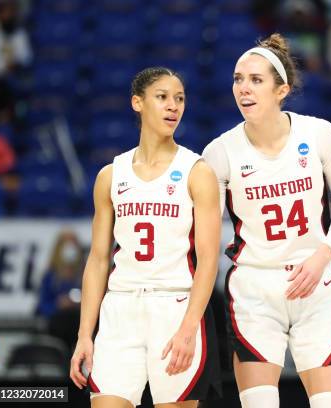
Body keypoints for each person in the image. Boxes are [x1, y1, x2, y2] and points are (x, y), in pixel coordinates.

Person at [202, 33, 331, 408]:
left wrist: (323, 254)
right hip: (255, 288)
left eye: (256, 80)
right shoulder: (219, 152)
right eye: (238, 79)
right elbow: (202, 237)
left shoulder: (319, 133)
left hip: (316, 282)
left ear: (281, 90)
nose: (244, 89)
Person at [69, 67, 222, 407]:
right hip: (120, 308)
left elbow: (209, 260)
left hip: (175, 307)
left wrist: (189, 327)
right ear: (137, 103)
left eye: (180, 99)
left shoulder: (198, 172)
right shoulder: (111, 175)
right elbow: (97, 260)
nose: (173, 107)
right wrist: (84, 334)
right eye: (163, 97)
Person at [36, 229, 84, 350]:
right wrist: (58, 304)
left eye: (73, 243)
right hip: (57, 329)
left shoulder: (84, 274)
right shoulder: (50, 277)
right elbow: (42, 306)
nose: (70, 248)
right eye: (65, 243)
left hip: (80, 328)